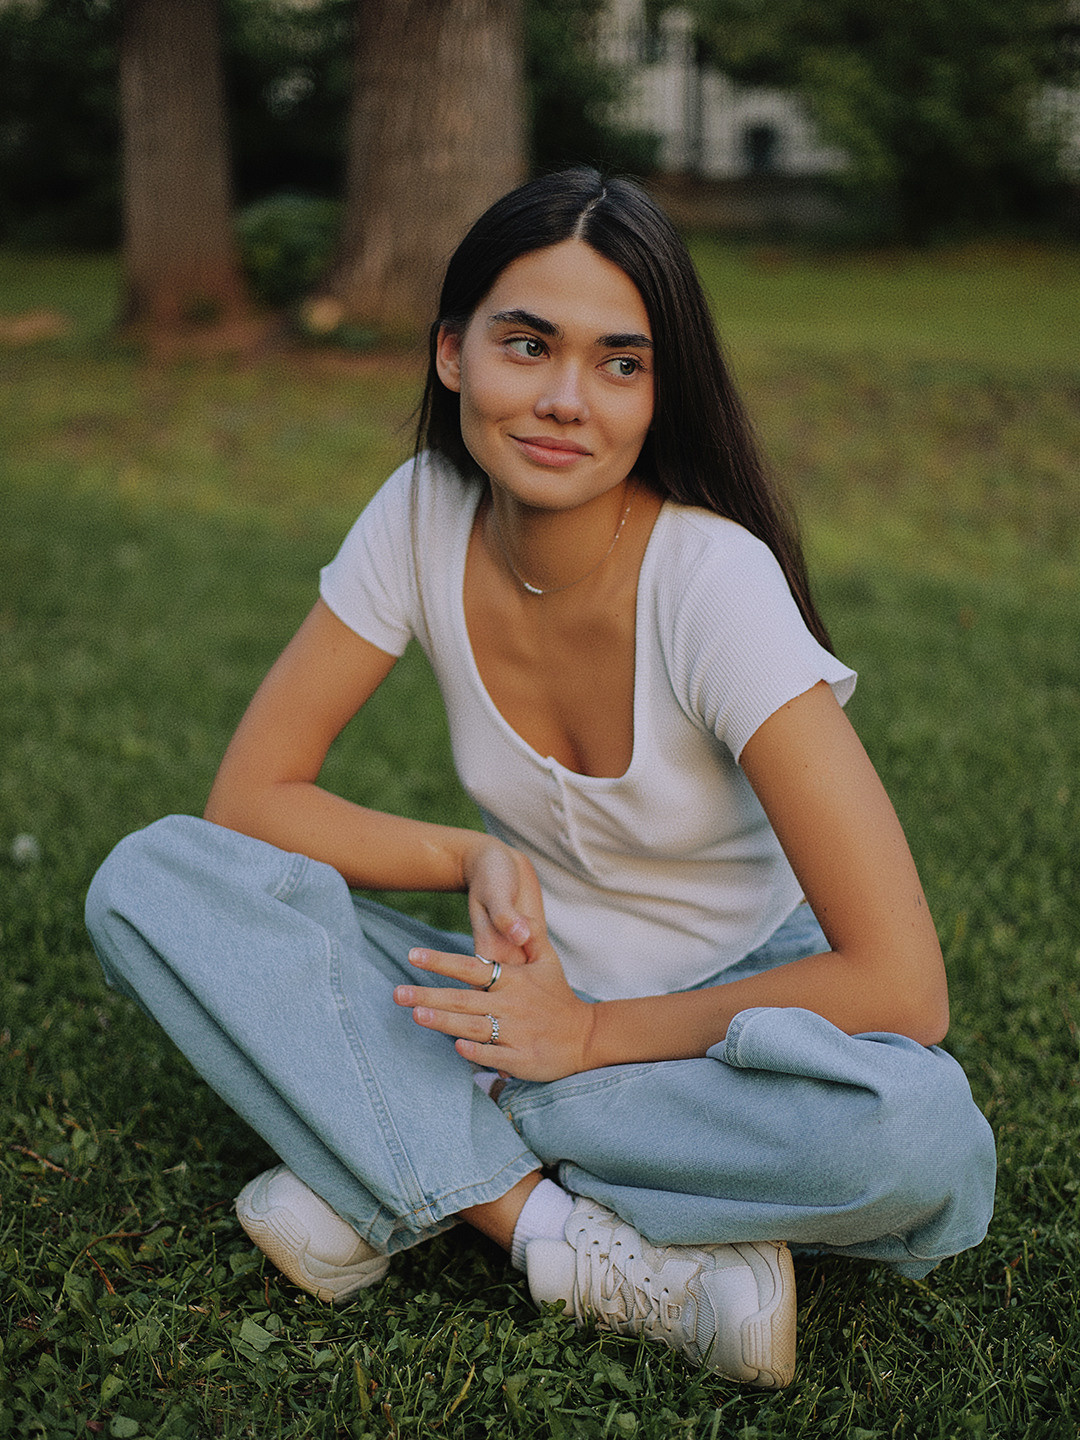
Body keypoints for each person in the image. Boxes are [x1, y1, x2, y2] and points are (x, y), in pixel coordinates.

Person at [85, 168, 995, 1389]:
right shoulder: (418, 510)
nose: (569, 400)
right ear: (452, 351)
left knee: (917, 1135)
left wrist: (591, 1037)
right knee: (152, 877)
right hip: (512, 990)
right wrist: (470, 856)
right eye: (528, 345)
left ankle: (390, 1144)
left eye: (623, 362)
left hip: (728, 1013)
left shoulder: (712, 584)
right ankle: (557, 1236)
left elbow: (903, 986)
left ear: (663, 390)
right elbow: (252, 802)